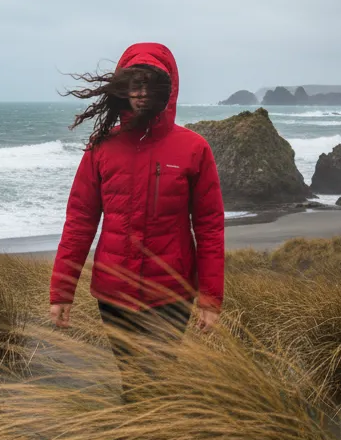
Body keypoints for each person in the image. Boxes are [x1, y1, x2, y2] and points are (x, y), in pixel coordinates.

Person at [49, 42, 224, 393]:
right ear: (123, 89)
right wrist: (61, 291)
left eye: (151, 84)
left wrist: (210, 298)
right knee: (132, 378)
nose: (142, 94)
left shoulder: (193, 148)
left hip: (171, 290)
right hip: (114, 291)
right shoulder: (101, 148)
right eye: (134, 84)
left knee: (158, 379)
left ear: (168, 89)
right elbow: (80, 222)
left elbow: (209, 227)